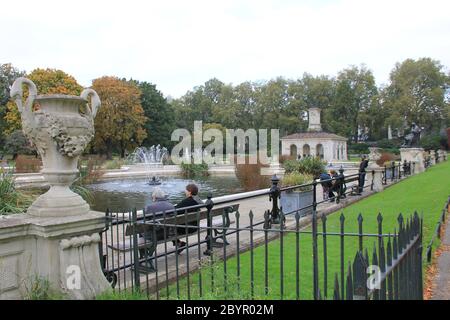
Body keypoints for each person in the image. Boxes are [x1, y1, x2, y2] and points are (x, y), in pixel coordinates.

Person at [140, 188, 176, 266]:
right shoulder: (171, 205)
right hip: (166, 234)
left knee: (140, 231)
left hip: (154, 236)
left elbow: (144, 222)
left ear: (154, 197)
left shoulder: (150, 207)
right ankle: (146, 255)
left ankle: (145, 255)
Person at [173, 183, 204, 253]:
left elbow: (175, 211)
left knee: (169, 226)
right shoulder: (198, 201)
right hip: (195, 226)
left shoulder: (186, 201)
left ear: (189, 192)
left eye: (186, 190)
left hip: (187, 228)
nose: (185, 192)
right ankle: (179, 243)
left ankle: (179, 243)